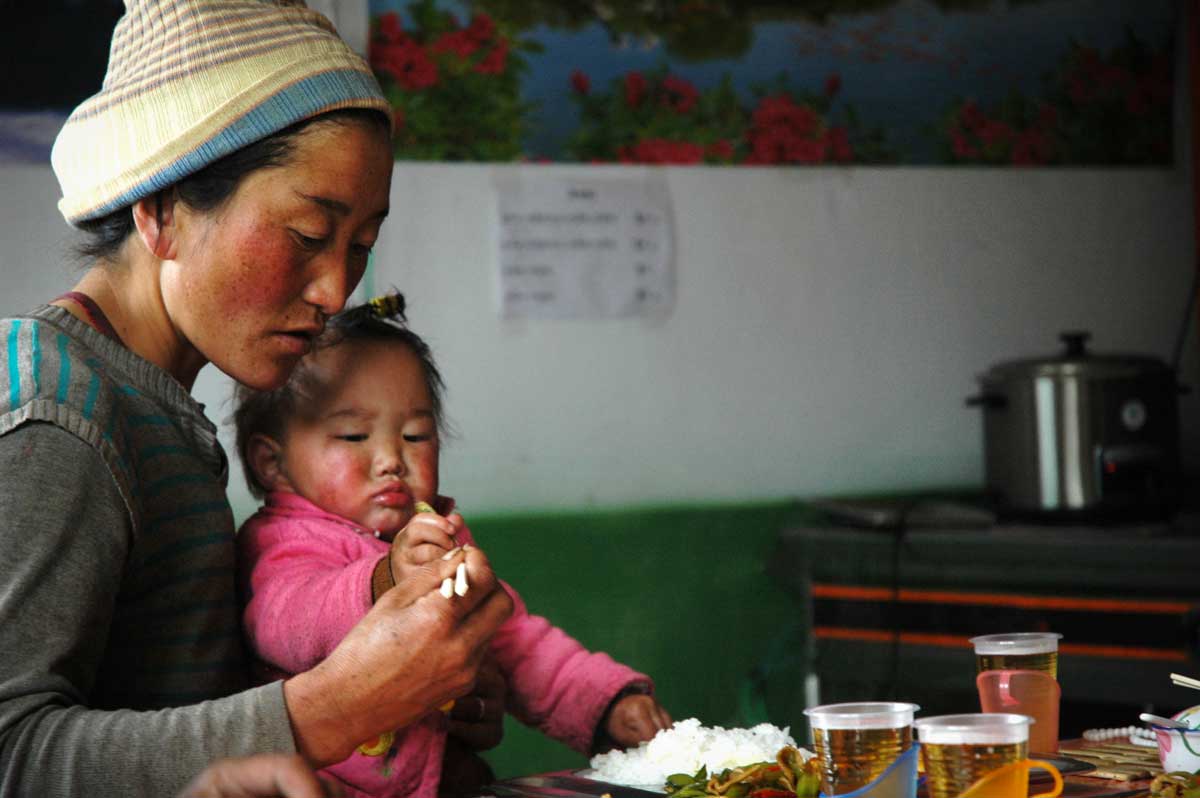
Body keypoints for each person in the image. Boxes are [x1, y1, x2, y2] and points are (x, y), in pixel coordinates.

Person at [0, 2, 512, 796]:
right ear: (163, 209)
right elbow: (13, 755)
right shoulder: (58, 413)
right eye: (309, 234)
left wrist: (407, 702)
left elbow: (159, 704)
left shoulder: (160, 414)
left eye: (360, 247)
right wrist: (335, 706)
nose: (336, 288)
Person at [232, 294, 674, 798]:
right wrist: (386, 581)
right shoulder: (281, 539)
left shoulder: (441, 539)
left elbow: (516, 643)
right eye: (354, 435)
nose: (391, 460)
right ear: (272, 463)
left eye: (416, 435)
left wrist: (605, 703)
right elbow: (288, 621)